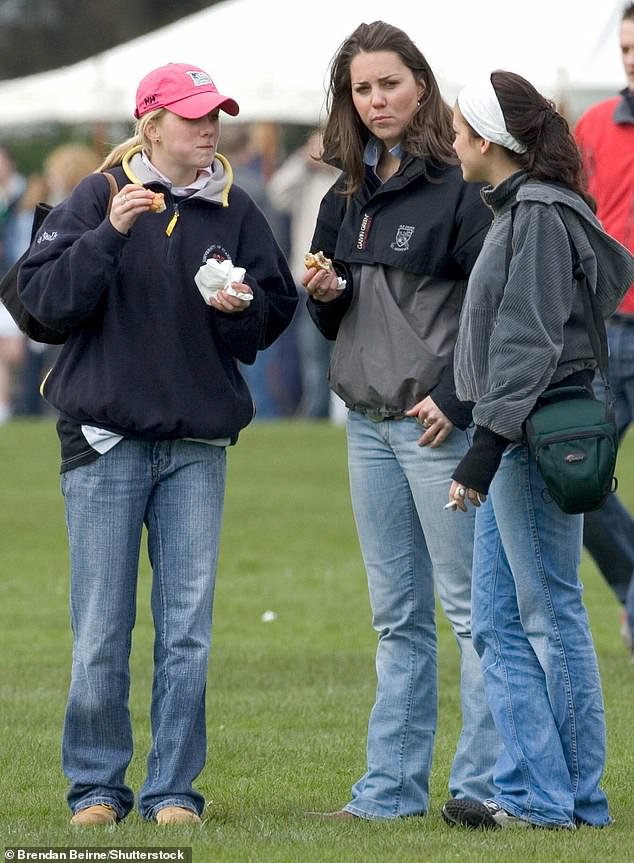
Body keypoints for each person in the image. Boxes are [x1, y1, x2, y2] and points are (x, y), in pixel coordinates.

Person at [18, 61, 297, 827]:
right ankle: (98, 788)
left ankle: (175, 790)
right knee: (102, 629)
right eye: (194, 115)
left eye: (216, 115)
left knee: (186, 632)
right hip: (107, 444)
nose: (210, 127)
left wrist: (241, 308)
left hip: (197, 444)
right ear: (152, 125)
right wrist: (109, 234)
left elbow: (273, 313)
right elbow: (40, 303)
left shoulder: (236, 208)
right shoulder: (97, 198)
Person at [301, 21, 499, 820]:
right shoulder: (342, 195)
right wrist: (328, 296)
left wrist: (455, 398)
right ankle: (387, 793)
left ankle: (482, 787)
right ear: (347, 100)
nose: (376, 100)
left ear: (421, 84)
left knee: (471, 615)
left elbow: (494, 312)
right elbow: (340, 320)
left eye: (389, 83)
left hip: (437, 431)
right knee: (397, 620)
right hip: (368, 428)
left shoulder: (461, 186)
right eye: (361, 88)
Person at [441, 70, 634, 831]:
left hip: (528, 440)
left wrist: (481, 450)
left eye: (458, 131)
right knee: (498, 621)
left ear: (488, 142)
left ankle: (554, 799)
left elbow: (526, 342)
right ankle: (544, 792)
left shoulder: (540, 215)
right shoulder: (521, 208)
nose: (451, 143)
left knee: (552, 613)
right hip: (516, 435)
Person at [575, 2, 634, 658]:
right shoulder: (593, 126)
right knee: (580, 478)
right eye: (624, 48)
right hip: (609, 329)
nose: (631, 57)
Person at [268, 130, 341, 418]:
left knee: (340, 354)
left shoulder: (345, 175)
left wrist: (335, 161)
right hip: (308, 280)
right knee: (313, 356)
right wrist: (303, 159)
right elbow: (276, 191)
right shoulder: (307, 178)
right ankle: (316, 413)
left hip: (346, 278)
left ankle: (337, 415)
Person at [0, 144, 27, 424]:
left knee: (14, 350)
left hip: (16, 280)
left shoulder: (25, 192)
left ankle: (24, 402)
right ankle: (5, 407)